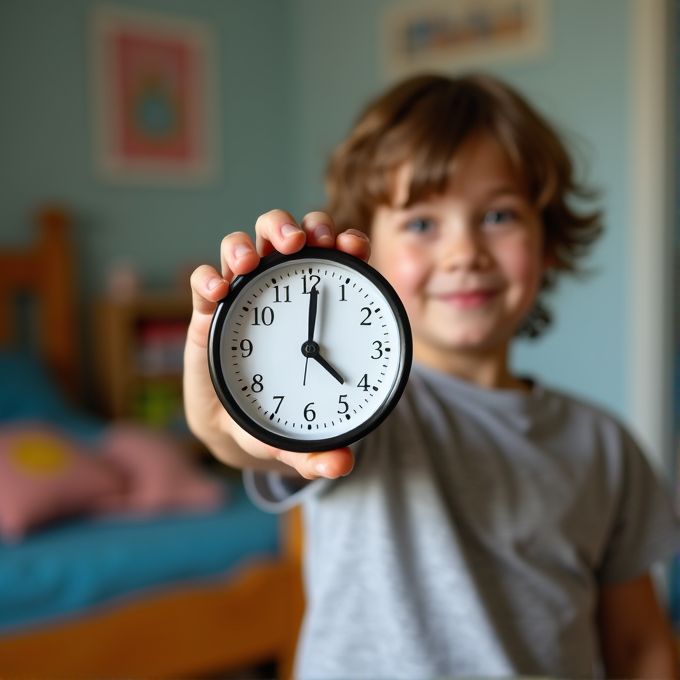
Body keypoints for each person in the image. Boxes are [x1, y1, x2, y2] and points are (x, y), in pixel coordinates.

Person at [184, 73, 680, 679]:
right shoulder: (361, 414)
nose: (463, 252)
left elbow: (639, 646)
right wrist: (223, 415)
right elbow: (250, 444)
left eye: (498, 215)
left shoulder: (606, 447)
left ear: (548, 241)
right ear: (366, 255)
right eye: (421, 223)